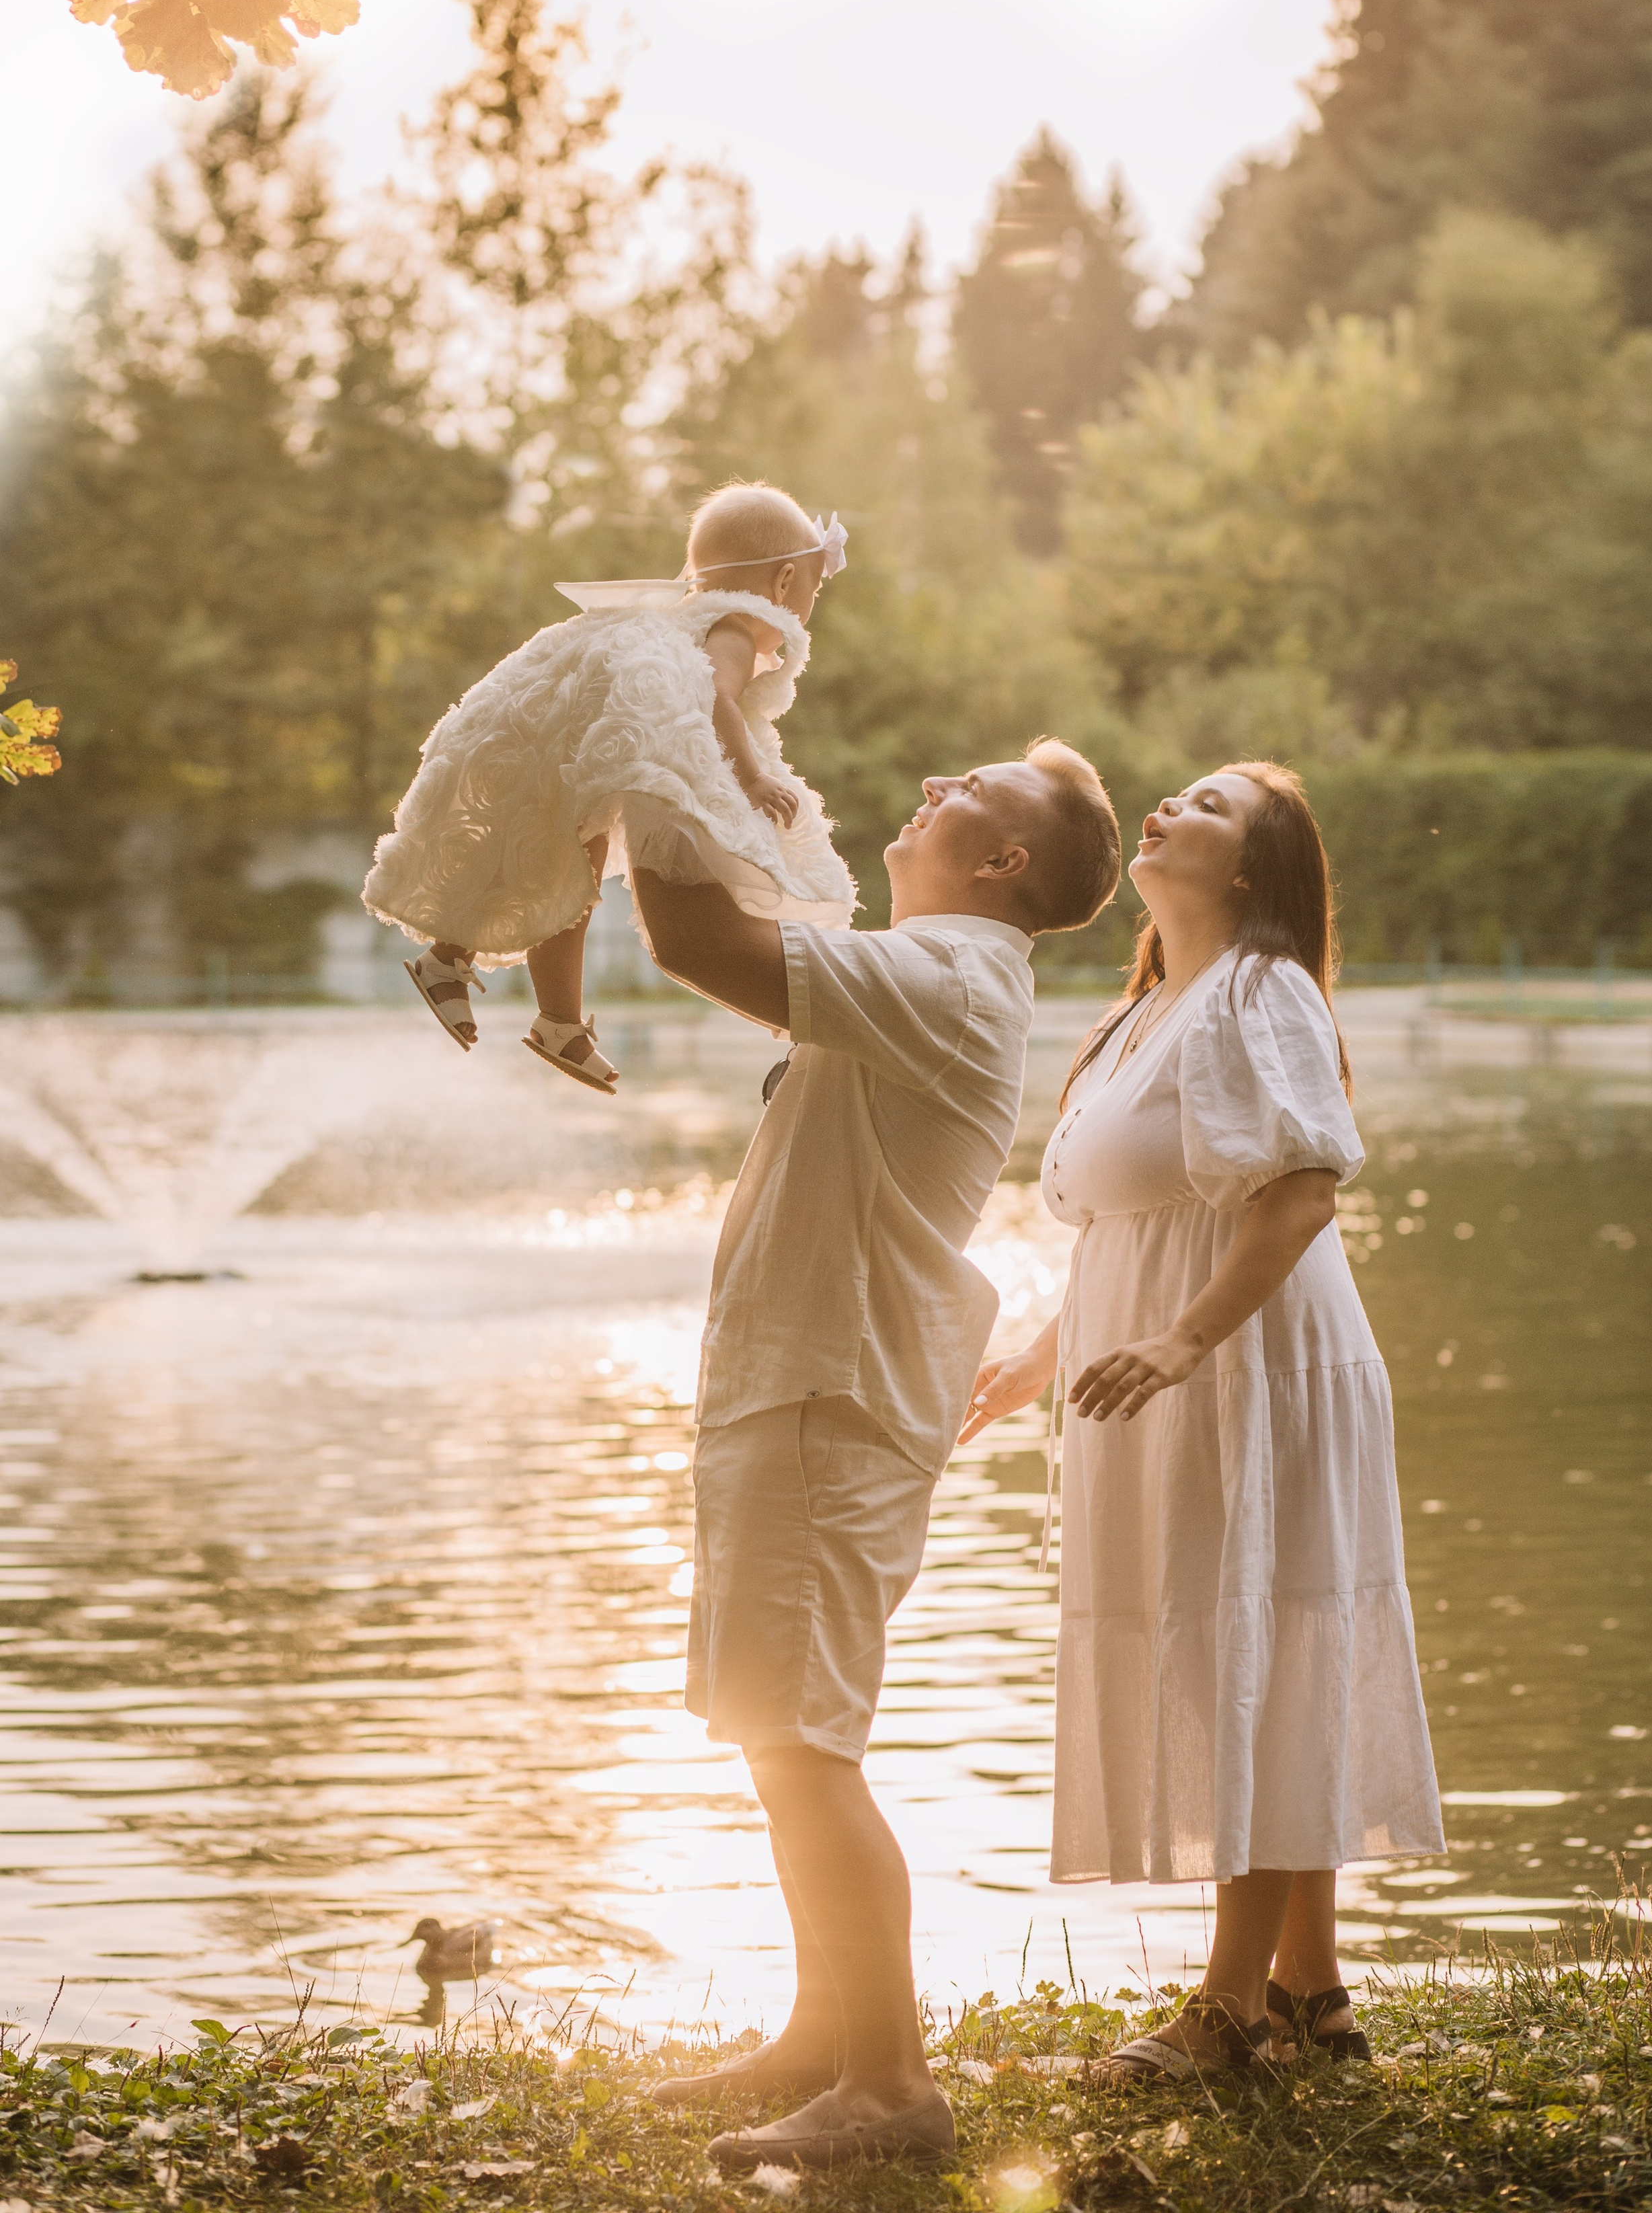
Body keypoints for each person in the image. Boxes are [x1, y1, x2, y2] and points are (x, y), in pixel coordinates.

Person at [635, 741, 1121, 2171]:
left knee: (806, 1740)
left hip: (823, 1402)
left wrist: (649, 728)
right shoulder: (924, 970)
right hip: (792, 1389)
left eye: (961, 791)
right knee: (775, 1730)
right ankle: (821, 2032)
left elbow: (690, 935)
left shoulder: (954, 978)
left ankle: (892, 2088)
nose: (928, 791)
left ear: (1004, 864)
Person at [961, 761, 1444, 2083]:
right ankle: (1309, 1993)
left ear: (1248, 870)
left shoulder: (1259, 989)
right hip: (1170, 1364)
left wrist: (1181, 1339)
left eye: (1212, 805)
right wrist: (1046, 1355)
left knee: (1257, 1641)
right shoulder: (1137, 1015)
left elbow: (1296, 1191)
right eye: (1175, 791)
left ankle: (1227, 2009)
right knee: (1254, 1637)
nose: (1171, 806)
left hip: (1255, 1361)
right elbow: (1136, 1223)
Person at [360, 483, 855, 1093]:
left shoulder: (680, 620)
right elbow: (719, 696)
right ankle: (543, 1015)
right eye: (813, 588)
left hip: (585, 741)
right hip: (614, 748)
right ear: (783, 583)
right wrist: (751, 777)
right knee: (567, 874)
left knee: (551, 860)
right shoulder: (735, 629)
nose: (808, 605)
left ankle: (480, 978)